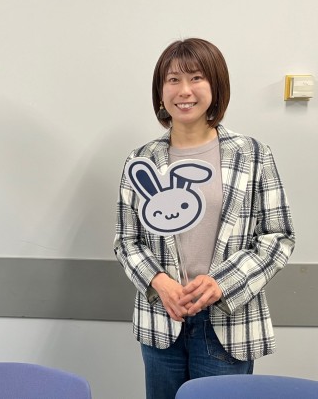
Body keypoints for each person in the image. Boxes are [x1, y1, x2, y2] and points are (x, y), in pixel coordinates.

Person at [114, 38, 295, 399]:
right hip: (162, 322)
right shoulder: (142, 160)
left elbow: (278, 237)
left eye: (196, 78)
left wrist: (221, 284)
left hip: (229, 321)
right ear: (160, 91)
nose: (184, 90)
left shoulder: (253, 154)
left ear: (216, 86)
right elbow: (126, 240)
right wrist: (158, 282)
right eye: (173, 80)